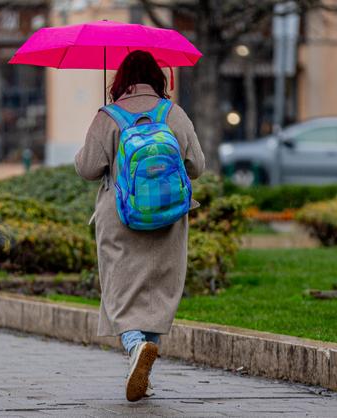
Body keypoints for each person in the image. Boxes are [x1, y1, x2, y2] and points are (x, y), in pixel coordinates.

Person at [74, 50, 205, 402]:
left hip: (120, 218)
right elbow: (197, 166)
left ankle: (135, 346)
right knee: (159, 291)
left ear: (120, 80)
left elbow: (87, 168)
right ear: (158, 78)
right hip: (168, 221)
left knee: (120, 288)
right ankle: (146, 358)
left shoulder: (108, 116)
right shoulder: (173, 113)